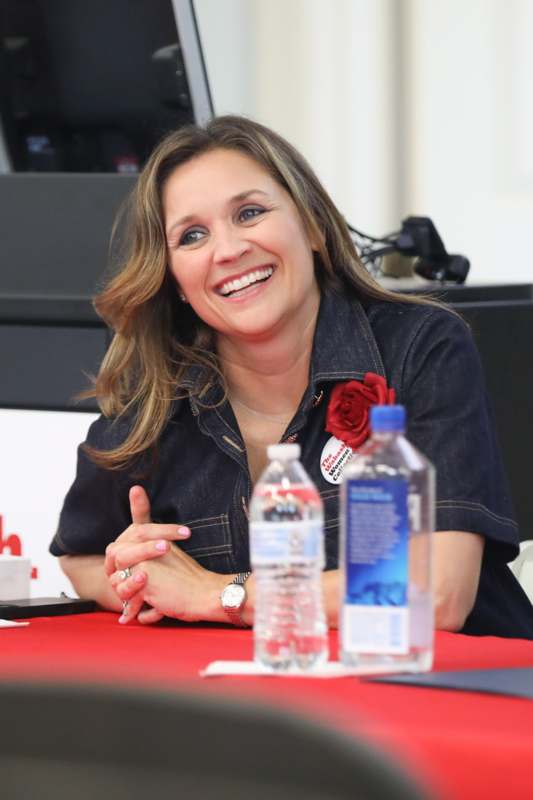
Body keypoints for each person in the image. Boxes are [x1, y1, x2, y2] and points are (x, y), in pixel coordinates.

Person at [50, 115, 533, 638]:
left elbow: (437, 596)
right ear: (175, 280)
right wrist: (137, 573)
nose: (229, 249)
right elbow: (81, 557)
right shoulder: (159, 389)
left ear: (313, 227)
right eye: (192, 236)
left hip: (459, 697)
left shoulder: (422, 345)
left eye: (250, 213)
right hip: (263, 704)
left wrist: (217, 594)